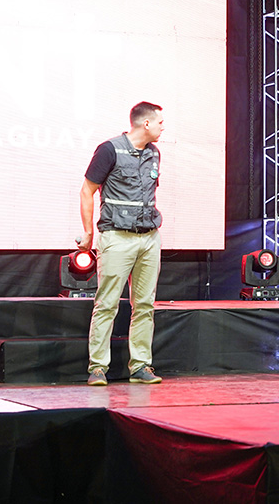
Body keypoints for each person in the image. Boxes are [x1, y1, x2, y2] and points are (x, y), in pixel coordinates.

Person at [80, 102, 165, 386]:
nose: (163, 127)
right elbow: (87, 190)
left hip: (149, 238)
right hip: (116, 237)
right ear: (146, 124)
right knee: (107, 304)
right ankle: (97, 368)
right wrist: (88, 233)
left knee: (145, 305)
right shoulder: (109, 149)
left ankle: (140, 366)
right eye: (160, 122)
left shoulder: (154, 153)